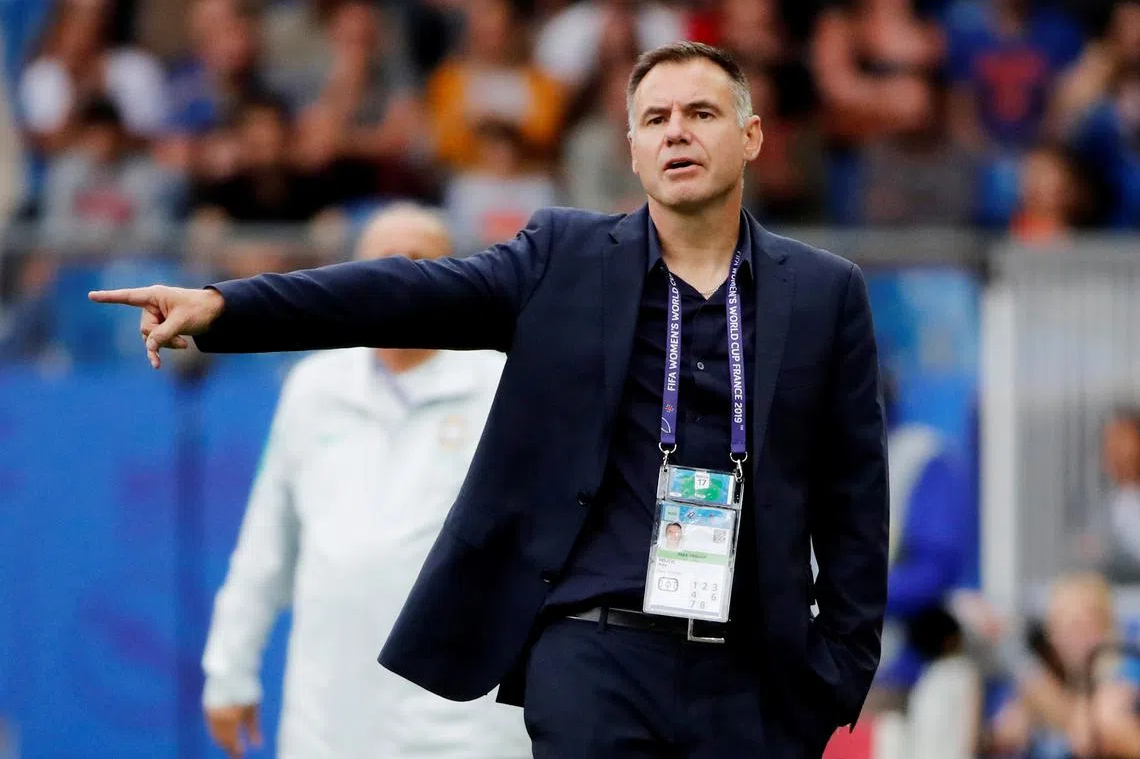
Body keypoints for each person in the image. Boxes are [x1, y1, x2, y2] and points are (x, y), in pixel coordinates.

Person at [90, 42, 889, 758]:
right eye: (656, 118)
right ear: (634, 152)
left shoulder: (824, 293)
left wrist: (834, 677)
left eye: (702, 113)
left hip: (754, 673)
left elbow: (854, 501)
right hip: (594, 656)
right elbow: (399, 292)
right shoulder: (565, 260)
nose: (677, 130)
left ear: (748, 138)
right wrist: (227, 307)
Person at [199, 203, 530, 759]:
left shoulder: (506, 382)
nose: (399, 282)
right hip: (331, 706)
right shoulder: (312, 387)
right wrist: (229, 673)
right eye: (381, 264)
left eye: (420, 263)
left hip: (465, 711)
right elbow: (267, 546)